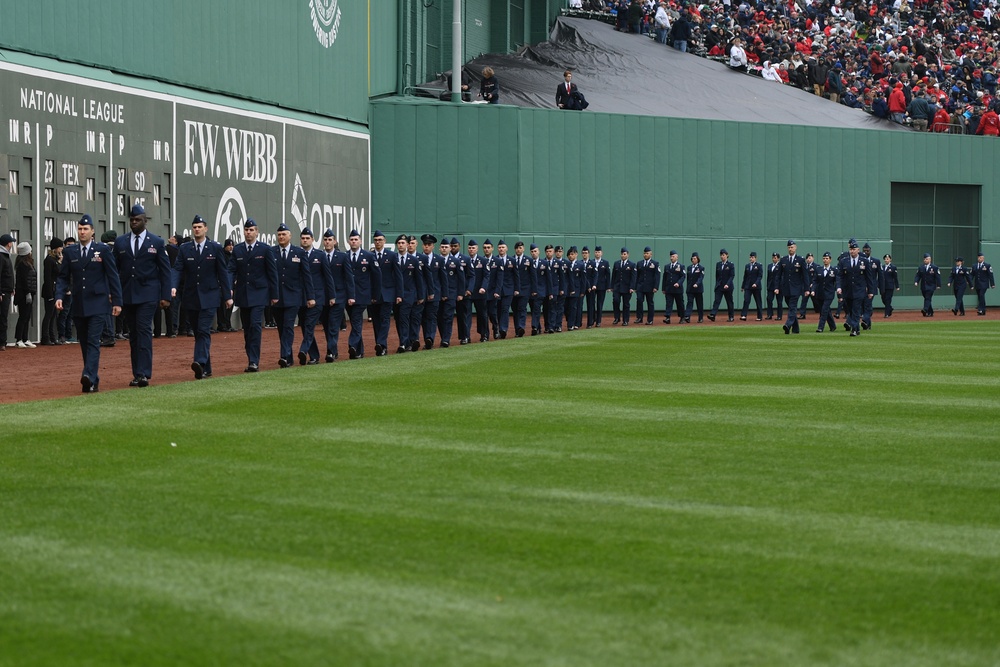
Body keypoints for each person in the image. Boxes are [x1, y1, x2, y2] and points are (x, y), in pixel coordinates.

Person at [55, 215, 123, 392]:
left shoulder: (103, 250)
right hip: (79, 304)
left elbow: (113, 276)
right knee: (84, 342)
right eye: (80, 229)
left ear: (92, 231)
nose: (82, 232)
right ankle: (93, 379)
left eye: (85, 229)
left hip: (99, 304)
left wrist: (117, 301)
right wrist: (59, 296)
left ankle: (88, 376)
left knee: (93, 341)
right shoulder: (70, 252)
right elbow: (63, 277)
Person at [113, 204, 172, 387]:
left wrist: (165, 296)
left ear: (144, 221)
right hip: (128, 294)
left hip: (148, 294)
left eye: (137, 220)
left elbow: (165, 271)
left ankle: (144, 373)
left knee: (144, 329)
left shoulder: (156, 242)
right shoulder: (121, 242)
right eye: (131, 220)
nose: (134, 223)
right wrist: (114, 294)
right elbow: (114, 270)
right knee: (134, 335)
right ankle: (137, 373)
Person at [172, 215, 232, 379]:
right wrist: (173, 286)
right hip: (191, 297)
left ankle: (199, 361)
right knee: (198, 333)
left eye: (199, 226)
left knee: (203, 330)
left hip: (210, 296)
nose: (197, 229)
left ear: (206, 229)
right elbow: (177, 269)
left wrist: (227, 296)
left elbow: (223, 272)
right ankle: (206, 367)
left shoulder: (215, 248)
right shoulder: (185, 248)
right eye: (194, 227)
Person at [230, 219, 279, 372]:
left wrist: (274, 294)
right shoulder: (237, 250)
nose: (248, 233)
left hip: (259, 294)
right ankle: (250, 356)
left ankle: (254, 361)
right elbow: (231, 270)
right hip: (243, 295)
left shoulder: (265, 249)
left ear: (257, 232)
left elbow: (272, 273)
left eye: (251, 230)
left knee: (255, 325)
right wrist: (228, 288)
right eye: (246, 230)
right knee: (247, 329)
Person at [272, 222, 316, 368]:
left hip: (293, 296)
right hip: (277, 297)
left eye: (284, 234)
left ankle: (284, 356)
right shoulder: (271, 252)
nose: (281, 237)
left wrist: (310, 297)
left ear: (290, 236)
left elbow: (307, 276)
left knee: (288, 326)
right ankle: (288, 357)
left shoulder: (299, 253)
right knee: (281, 327)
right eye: (279, 235)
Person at [298, 228, 335, 364]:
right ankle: (314, 356)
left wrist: (331, 296)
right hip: (301, 297)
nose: (305, 240)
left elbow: (328, 277)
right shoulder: (297, 254)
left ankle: (304, 350)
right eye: (303, 238)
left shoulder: (320, 255)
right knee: (304, 326)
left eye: (307, 238)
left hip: (318, 297)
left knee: (309, 325)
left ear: (313, 239)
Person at [319, 229, 355, 361]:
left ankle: (330, 352)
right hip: (324, 297)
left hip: (339, 296)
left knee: (334, 325)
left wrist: (351, 296)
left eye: (330, 240)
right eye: (326, 240)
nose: (327, 242)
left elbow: (348, 277)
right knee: (327, 325)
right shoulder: (320, 256)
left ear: (335, 241)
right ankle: (333, 349)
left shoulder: (342, 257)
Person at [346, 229, 381, 358]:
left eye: (356, 239)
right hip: (348, 296)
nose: (354, 242)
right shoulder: (345, 256)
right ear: (349, 241)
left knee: (355, 320)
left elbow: (377, 277)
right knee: (356, 321)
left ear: (360, 241)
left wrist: (375, 295)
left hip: (362, 295)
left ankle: (352, 345)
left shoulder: (369, 256)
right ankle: (359, 352)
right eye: (352, 239)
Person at [835, 239, 875, 337]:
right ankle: (856, 329)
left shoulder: (864, 261)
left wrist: (870, 291)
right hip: (847, 290)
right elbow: (839, 276)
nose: (852, 251)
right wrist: (839, 287)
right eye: (850, 249)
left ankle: (853, 329)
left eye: (854, 249)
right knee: (850, 310)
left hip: (859, 290)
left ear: (858, 250)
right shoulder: (844, 261)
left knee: (856, 309)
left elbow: (869, 277)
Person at [395, 233, 425, 352]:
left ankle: (406, 342)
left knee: (407, 318)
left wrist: (421, 296)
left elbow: (419, 279)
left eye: (403, 243)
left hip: (410, 294)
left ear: (407, 245)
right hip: (396, 295)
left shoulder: (413, 260)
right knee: (400, 319)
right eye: (399, 243)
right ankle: (407, 342)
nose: (401, 245)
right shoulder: (394, 258)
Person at [488, 239, 520, 338]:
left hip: (508, 289)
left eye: (503, 247)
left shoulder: (512, 261)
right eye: (500, 247)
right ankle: (496, 328)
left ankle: (503, 329)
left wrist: (516, 289)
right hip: (496, 290)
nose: (501, 249)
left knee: (505, 309)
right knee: (496, 310)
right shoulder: (494, 260)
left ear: (506, 248)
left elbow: (516, 276)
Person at [437, 237, 466, 347]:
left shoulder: (456, 261)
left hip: (452, 293)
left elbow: (461, 278)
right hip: (439, 293)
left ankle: (446, 339)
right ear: (439, 248)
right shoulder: (436, 260)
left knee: (448, 316)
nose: (444, 249)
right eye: (442, 247)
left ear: (450, 249)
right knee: (439, 317)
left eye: (446, 247)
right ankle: (443, 336)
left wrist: (460, 293)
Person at [776, 240, 809, 334]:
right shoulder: (783, 260)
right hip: (786, 288)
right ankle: (796, 328)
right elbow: (778, 275)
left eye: (792, 247)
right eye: (789, 247)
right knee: (790, 306)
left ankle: (788, 324)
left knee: (792, 307)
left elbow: (805, 275)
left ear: (795, 247)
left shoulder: (800, 260)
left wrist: (807, 289)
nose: (790, 249)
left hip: (796, 288)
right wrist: (777, 287)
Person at [420, 234, 445, 348]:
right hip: (422, 293)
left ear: (433, 246)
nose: (426, 247)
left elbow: (443, 278)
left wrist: (444, 293)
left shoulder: (439, 260)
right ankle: (427, 338)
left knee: (432, 316)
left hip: (435, 293)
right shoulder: (418, 259)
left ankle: (430, 338)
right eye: (425, 244)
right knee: (424, 318)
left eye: (429, 245)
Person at [13, 242, 37, 348]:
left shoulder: (29, 263)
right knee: (23, 317)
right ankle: (19, 339)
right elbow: (23, 281)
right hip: (23, 295)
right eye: (30, 250)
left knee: (27, 317)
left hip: (29, 293)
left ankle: (25, 338)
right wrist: (27, 293)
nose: (31, 251)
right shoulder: (22, 265)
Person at [40, 238, 63, 345]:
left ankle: (52, 337)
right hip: (50, 290)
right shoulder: (49, 260)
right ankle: (45, 337)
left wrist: (60, 262)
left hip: (55, 290)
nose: (61, 249)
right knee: (49, 314)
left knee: (53, 315)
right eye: (60, 247)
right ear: (56, 248)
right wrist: (49, 294)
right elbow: (48, 278)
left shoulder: (55, 260)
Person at [529, 243, 553, 335]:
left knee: (545, 310)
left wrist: (550, 292)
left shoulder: (544, 263)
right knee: (535, 309)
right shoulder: (529, 262)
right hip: (532, 291)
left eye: (535, 251)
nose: (533, 253)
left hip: (543, 291)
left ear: (538, 252)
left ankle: (546, 326)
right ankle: (536, 327)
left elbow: (549, 279)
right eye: (532, 251)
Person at [512, 241, 533, 337]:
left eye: (520, 248)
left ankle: (521, 327)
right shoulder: (511, 260)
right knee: (515, 310)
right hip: (513, 289)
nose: (518, 250)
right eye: (517, 248)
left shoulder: (528, 260)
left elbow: (533, 276)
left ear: (523, 249)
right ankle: (517, 329)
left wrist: (534, 289)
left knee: (522, 308)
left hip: (525, 288)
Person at [708, 248, 735, 322]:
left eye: (723, 255)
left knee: (729, 302)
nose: (722, 257)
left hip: (727, 287)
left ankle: (731, 316)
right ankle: (713, 314)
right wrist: (717, 284)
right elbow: (717, 276)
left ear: (727, 255)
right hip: (720, 286)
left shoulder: (730, 264)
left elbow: (732, 276)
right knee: (717, 301)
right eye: (721, 255)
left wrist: (727, 284)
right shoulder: (718, 264)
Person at [814, 252, 838, 333]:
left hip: (829, 294)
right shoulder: (818, 269)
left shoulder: (834, 270)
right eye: (824, 258)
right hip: (820, 293)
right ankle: (833, 326)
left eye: (827, 258)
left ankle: (820, 327)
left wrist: (838, 291)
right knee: (825, 310)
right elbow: (815, 281)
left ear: (830, 260)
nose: (825, 260)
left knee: (824, 310)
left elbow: (837, 282)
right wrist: (813, 290)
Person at [634, 246, 659, 325]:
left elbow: (657, 276)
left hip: (650, 287)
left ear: (651, 254)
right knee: (639, 300)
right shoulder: (639, 263)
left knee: (650, 303)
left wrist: (656, 287)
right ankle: (639, 317)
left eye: (647, 253)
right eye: (644, 253)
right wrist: (635, 287)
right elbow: (636, 276)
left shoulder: (655, 263)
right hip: (640, 286)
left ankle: (650, 319)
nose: (645, 255)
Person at [611, 247, 636, 325]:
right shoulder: (616, 264)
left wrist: (632, 287)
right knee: (616, 301)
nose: (623, 255)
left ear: (628, 255)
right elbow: (613, 276)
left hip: (627, 288)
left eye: (624, 254)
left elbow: (633, 277)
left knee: (626, 304)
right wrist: (612, 286)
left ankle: (625, 320)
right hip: (617, 287)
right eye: (622, 254)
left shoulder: (632, 264)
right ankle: (617, 317)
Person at [217, 239, 236, 331]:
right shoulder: (222, 255)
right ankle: (221, 324)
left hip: (232, 284)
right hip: (222, 284)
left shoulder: (233, 256)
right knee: (222, 306)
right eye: (229, 245)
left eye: (232, 245)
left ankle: (228, 324)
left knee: (230, 305)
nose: (231, 247)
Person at [661, 250, 685, 323]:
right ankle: (667, 317)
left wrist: (678, 283)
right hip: (669, 289)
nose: (672, 258)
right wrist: (663, 288)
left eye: (673, 256)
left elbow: (683, 276)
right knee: (668, 303)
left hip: (678, 289)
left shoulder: (681, 266)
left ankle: (682, 317)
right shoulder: (667, 266)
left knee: (680, 304)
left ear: (677, 257)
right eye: (671, 256)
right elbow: (664, 278)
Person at [914, 252, 941, 316]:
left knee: (928, 298)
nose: (925, 260)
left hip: (931, 286)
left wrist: (938, 285)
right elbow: (918, 275)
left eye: (926, 259)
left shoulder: (934, 267)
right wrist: (916, 281)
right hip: (923, 286)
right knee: (926, 298)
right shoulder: (921, 267)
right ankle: (930, 312)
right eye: (924, 259)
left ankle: (925, 309)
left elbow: (938, 276)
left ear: (930, 259)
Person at [0, 233, 14, 352]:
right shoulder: (1, 256)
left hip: (6, 291)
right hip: (3, 292)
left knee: (3, 317)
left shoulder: (5, 256)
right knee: (2, 318)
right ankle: (2, 342)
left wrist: (12, 288)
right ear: (8, 243)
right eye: (11, 242)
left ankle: (2, 342)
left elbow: (7, 275)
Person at [740, 251, 763, 321]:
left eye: (752, 257)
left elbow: (760, 276)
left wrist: (756, 283)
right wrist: (743, 286)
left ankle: (759, 316)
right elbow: (745, 277)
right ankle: (743, 315)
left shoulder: (759, 265)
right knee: (746, 300)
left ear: (755, 258)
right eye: (750, 257)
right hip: (748, 286)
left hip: (756, 287)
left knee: (758, 301)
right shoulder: (747, 266)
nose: (751, 259)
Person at [591, 246, 610, 327]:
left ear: (601, 253)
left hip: (602, 286)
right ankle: (592, 319)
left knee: (599, 304)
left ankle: (598, 321)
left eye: (599, 252)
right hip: (592, 286)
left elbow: (608, 275)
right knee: (592, 303)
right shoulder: (591, 262)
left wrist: (608, 287)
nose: (597, 253)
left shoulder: (605, 263)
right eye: (596, 252)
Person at [684, 252, 706, 323]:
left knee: (699, 304)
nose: (693, 260)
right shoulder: (689, 268)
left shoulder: (701, 268)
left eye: (695, 258)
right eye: (692, 258)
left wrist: (697, 284)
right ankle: (687, 316)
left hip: (698, 289)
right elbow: (688, 279)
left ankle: (700, 317)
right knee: (689, 302)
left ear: (698, 259)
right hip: (690, 289)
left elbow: (701, 277)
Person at [765, 252, 783, 320]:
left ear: (778, 259)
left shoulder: (780, 266)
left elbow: (781, 277)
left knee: (779, 301)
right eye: (773, 258)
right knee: (769, 299)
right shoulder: (770, 265)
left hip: (778, 286)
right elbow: (769, 277)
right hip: (771, 286)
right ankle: (770, 314)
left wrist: (778, 287)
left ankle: (779, 315)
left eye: (775, 258)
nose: (774, 259)